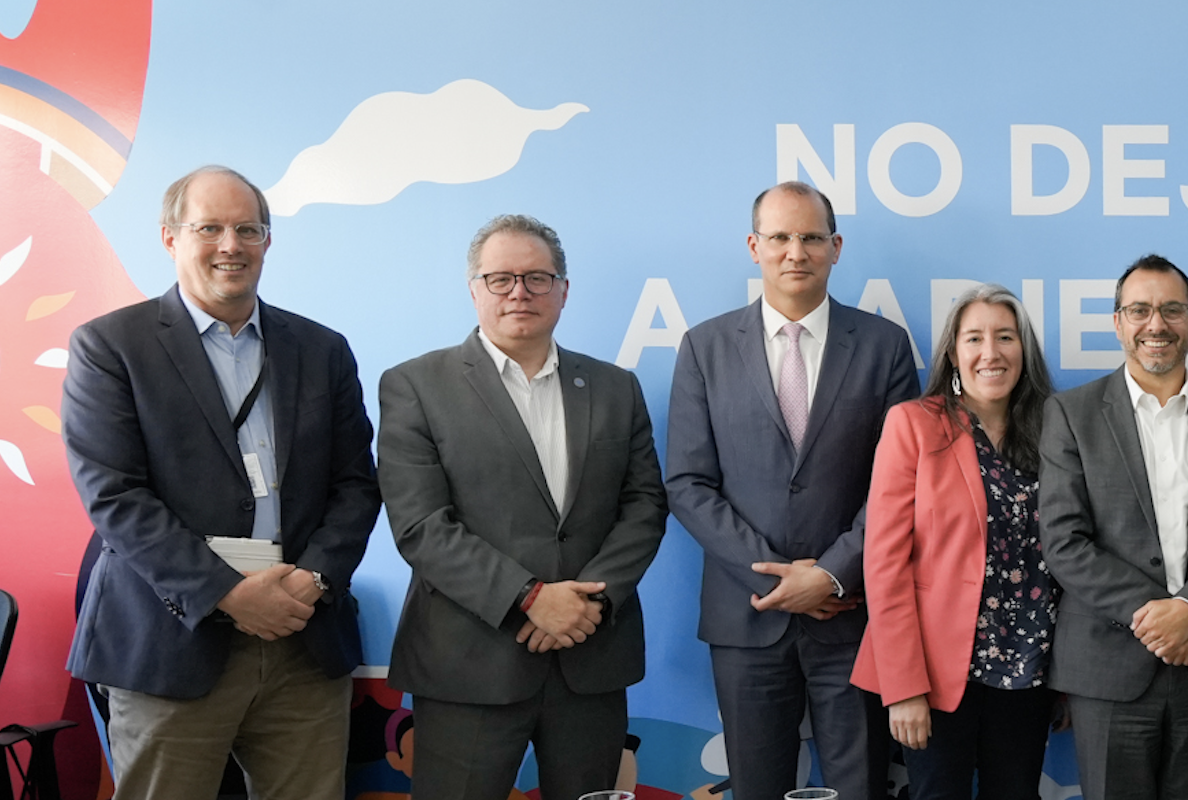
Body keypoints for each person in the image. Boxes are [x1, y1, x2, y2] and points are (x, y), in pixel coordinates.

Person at [62, 165, 381, 800]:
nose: (230, 245)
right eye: (209, 227)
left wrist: (314, 579)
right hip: (170, 640)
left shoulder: (322, 349)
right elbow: (115, 496)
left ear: (267, 241)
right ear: (169, 237)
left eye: (247, 229)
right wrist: (227, 593)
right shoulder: (111, 346)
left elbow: (356, 484)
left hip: (302, 636)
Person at [377, 214, 668, 800]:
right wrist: (531, 599)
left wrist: (590, 602)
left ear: (563, 290)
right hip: (469, 665)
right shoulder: (415, 385)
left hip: (590, 661)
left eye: (537, 278)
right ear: (474, 288)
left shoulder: (616, 387)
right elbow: (421, 527)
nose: (519, 292)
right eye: (501, 278)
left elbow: (644, 505)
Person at [666, 181, 917, 799]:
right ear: (754, 246)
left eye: (810, 238)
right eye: (779, 237)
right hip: (747, 618)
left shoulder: (884, 346)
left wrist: (831, 575)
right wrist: (779, 582)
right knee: (757, 788)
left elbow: (903, 485)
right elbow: (688, 483)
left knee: (861, 788)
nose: (795, 252)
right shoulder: (706, 347)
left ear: (836, 247)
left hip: (851, 614)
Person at [1036, 255, 1188, 800]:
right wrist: (1161, 622)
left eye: (1170, 310)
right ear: (1118, 322)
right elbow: (1065, 542)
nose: (1155, 325)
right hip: (1108, 669)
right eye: (1139, 310)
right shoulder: (1071, 413)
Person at [853, 284, 1062, 800]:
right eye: (974, 338)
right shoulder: (914, 425)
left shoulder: (1054, 429)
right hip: (937, 673)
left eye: (1005, 337)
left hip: (1028, 669)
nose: (990, 352)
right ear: (953, 353)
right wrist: (904, 688)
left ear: (1024, 351)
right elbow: (885, 563)